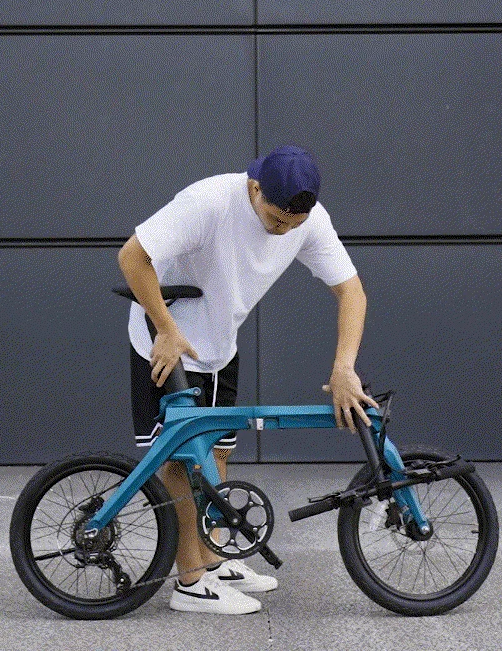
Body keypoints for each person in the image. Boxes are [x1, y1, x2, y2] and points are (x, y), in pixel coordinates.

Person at [118, 145, 378, 615]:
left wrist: (344, 367)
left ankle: (214, 560)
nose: (284, 231)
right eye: (277, 220)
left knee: (217, 451)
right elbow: (132, 256)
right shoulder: (208, 202)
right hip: (169, 341)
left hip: (219, 342)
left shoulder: (308, 220)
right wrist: (167, 330)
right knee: (181, 462)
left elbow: (351, 291)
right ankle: (191, 584)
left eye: (295, 225)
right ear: (255, 189)